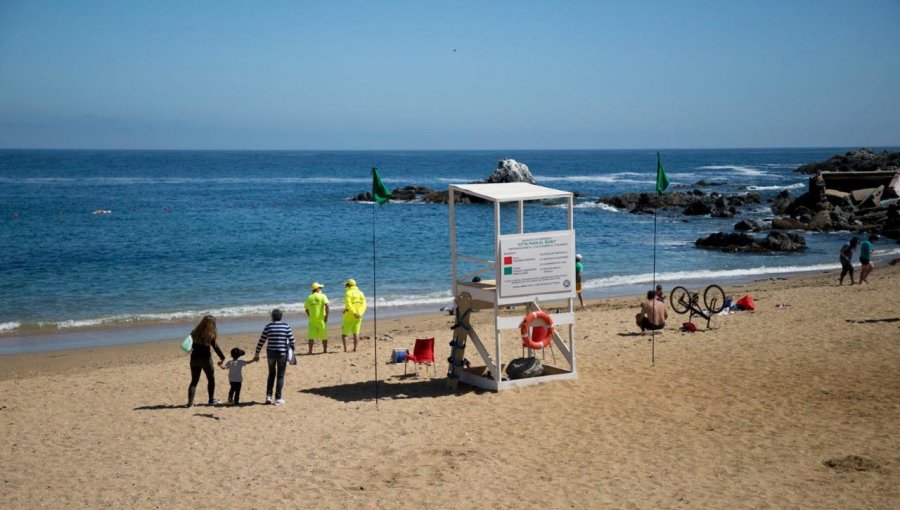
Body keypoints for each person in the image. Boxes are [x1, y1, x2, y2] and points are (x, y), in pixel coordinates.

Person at [253, 308, 296, 406]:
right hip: (282, 353)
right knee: (280, 375)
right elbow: (292, 341)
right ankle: (278, 398)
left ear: (272, 317)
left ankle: (268, 396)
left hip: (271, 353)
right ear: (281, 317)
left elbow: (261, 341)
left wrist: (257, 353)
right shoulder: (286, 326)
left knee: (271, 374)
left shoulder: (268, 326)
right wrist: (291, 351)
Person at [186, 315, 226, 407]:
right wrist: (222, 357)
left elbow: (189, 345)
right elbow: (215, 347)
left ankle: (190, 403)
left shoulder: (194, 332)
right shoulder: (210, 335)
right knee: (211, 379)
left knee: (194, 381)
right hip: (206, 360)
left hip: (194, 359)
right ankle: (211, 400)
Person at [341, 278, 367, 352]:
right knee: (356, 333)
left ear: (348, 285)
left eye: (346, 285)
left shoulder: (348, 293)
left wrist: (354, 312)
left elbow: (349, 305)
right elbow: (364, 305)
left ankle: (345, 350)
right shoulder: (361, 293)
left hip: (349, 316)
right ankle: (355, 349)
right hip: (358, 316)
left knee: (344, 334)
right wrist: (359, 313)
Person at [305, 282, 330, 354]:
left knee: (311, 337)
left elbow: (306, 309)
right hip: (321, 319)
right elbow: (327, 306)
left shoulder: (309, 297)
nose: (321, 289)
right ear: (317, 289)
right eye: (320, 288)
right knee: (324, 336)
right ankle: (325, 350)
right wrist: (326, 317)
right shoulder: (322, 296)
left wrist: (310, 316)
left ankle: (310, 351)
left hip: (312, 320)